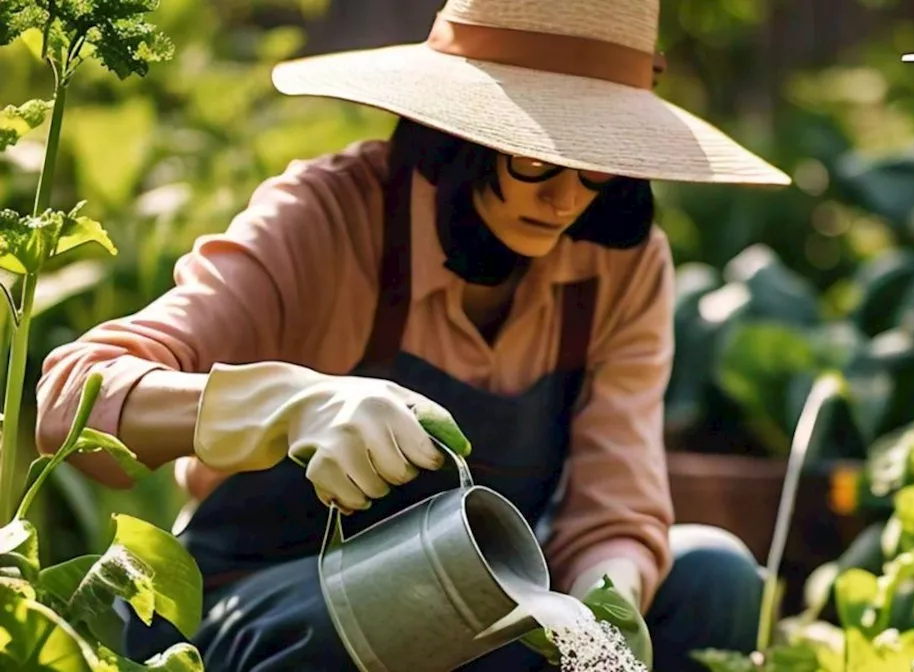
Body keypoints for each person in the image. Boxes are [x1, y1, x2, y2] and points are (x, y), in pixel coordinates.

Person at [34, 0, 791, 670]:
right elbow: (73, 402)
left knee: (713, 577)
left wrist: (607, 594)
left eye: (597, 166)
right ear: (458, 133)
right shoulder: (325, 219)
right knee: (436, 605)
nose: (566, 199)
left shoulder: (619, 267)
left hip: (484, 594)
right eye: (535, 157)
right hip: (267, 608)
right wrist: (286, 407)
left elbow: (614, 504)